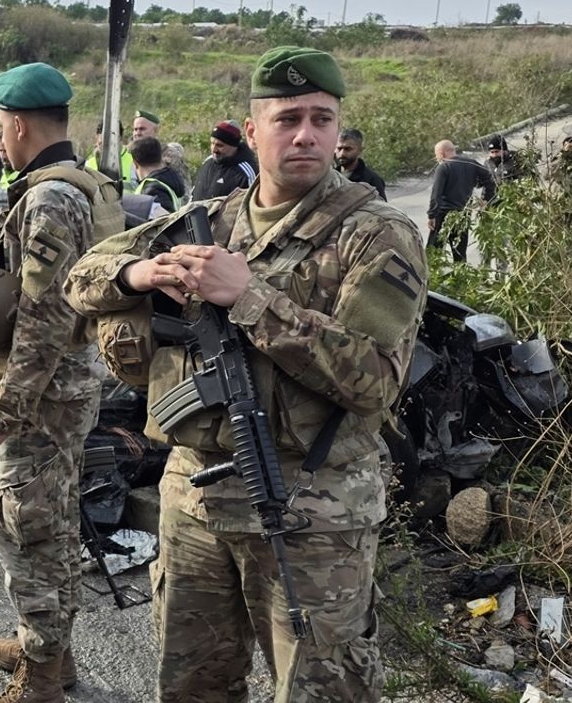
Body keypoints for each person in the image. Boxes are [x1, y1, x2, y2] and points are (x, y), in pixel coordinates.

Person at [67, 45, 427, 703]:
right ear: (254, 129)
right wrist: (139, 273)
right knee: (191, 687)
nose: (307, 135)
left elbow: (375, 379)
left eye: (322, 119)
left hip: (312, 517)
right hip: (195, 503)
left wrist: (252, 299)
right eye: (289, 118)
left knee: (321, 691)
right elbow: (79, 280)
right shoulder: (213, 220)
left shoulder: (375, 235)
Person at [0, 62, 123, 703]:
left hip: (45, 395)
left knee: (26, 526)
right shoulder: (79, 184)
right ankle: (51, 650)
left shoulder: (50, 199)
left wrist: (4, 411)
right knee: (54, 520)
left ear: (17, 124)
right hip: (68, 387)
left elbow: (44, 320)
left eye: (0, 122)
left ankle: (42, 677)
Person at [427, 139, 495, 262]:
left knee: (433, 252)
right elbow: (490, 179)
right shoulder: (471, 164)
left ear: (441, 153)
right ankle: (460, 279)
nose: (436, 158)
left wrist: (432, 215)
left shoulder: (443, 167)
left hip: (443, 214)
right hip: (463, 213)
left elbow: (436, 194)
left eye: (436, 154)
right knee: (459, 253)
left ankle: (431, 278)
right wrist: (486, 199)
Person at [192, 119, 258, 199]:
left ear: (233, 146)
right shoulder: (208, 162)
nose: (214, 149)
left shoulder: (247, 173)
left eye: (220, 145)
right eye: (212, 143)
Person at [130, 136, 182, 214]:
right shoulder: (167, 182)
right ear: (160, 158)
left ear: (135, 164)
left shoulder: (152, 189)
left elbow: (162, 222)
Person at [334, 128, 386, 200]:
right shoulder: (330, 175)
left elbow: (381, 209)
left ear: (360, 151)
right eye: (339, 148)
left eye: (348, 149)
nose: (342, 153)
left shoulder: (372, 180)